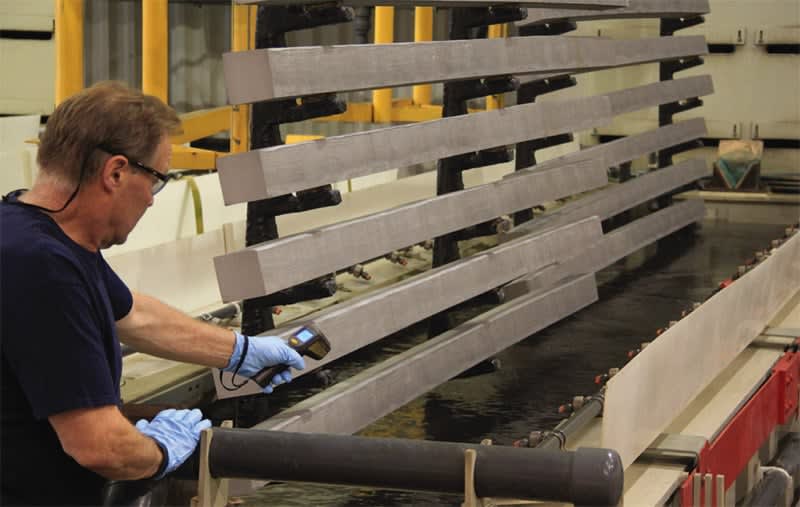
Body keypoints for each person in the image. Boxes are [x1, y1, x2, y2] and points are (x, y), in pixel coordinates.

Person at [0, 81, 305, 506]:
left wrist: (239, 351)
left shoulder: (28, 229)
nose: (151, 201)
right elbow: (100, 446)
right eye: (157, 181)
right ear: (116, 173)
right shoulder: (42, 266)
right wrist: (162, 451)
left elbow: (133, 315)